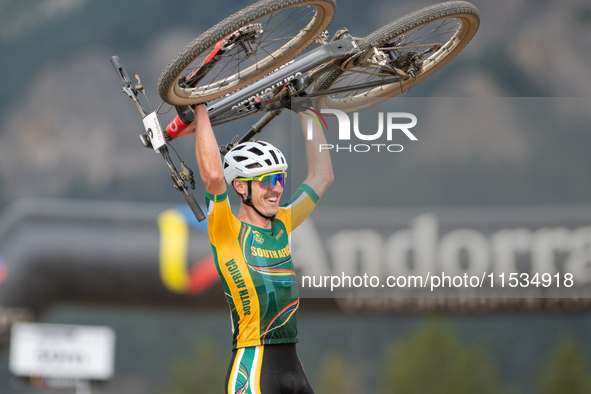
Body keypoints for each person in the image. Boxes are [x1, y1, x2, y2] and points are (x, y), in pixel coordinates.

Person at [193, 103, 333, 394]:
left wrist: (305, 109)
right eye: (267, 181)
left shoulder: (283, 221)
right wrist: (199, 107)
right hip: (253, 365)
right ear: (242, 187)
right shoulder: (227, 230)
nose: (277, 189)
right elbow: (214, 177)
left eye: (279, 178)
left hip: (294, 365)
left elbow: (322, 176)